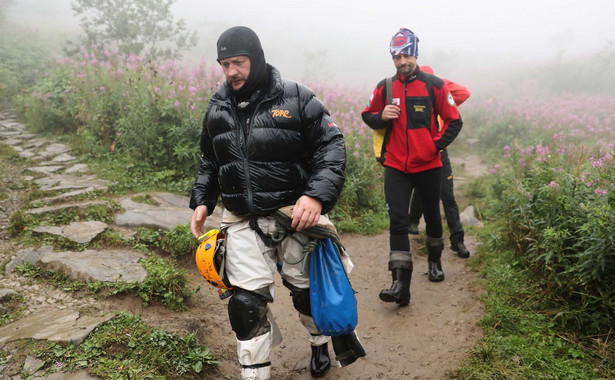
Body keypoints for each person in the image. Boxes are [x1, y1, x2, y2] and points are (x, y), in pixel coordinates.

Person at [189, 26, 364, 380]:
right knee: (245, 304)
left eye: (237, 62)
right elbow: (211, 160)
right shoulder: (217, 107)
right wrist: (203, 200)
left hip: (293, 216)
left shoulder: (297, 97)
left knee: (305, 294)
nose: (230, 72)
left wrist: (315, 195)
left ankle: (319, 342)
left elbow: (332, 146)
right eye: (224, 64)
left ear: (256, 58)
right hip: (240, 218)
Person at [361, 28, 463, 306]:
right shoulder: (385, 87)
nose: (402, 61)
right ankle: (400, 284)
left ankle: (434, 261)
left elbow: (454, 120)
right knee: (398, 220)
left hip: (430, 165)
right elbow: (367, 115)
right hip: (396, 166)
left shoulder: (435, 85)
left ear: (415, 54)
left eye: (406, 54)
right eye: (396, 56)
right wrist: (381, 115)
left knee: (431, 215)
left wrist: (435, 146)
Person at [407, 65, 471, 259]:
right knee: (420, 190)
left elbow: (464, 93)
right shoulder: (410, 99)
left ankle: (457, 240)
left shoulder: (441, 98)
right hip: (418, 154)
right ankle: (413, 222)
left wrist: (438, 85)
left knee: (448, 196)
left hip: (440, 153)